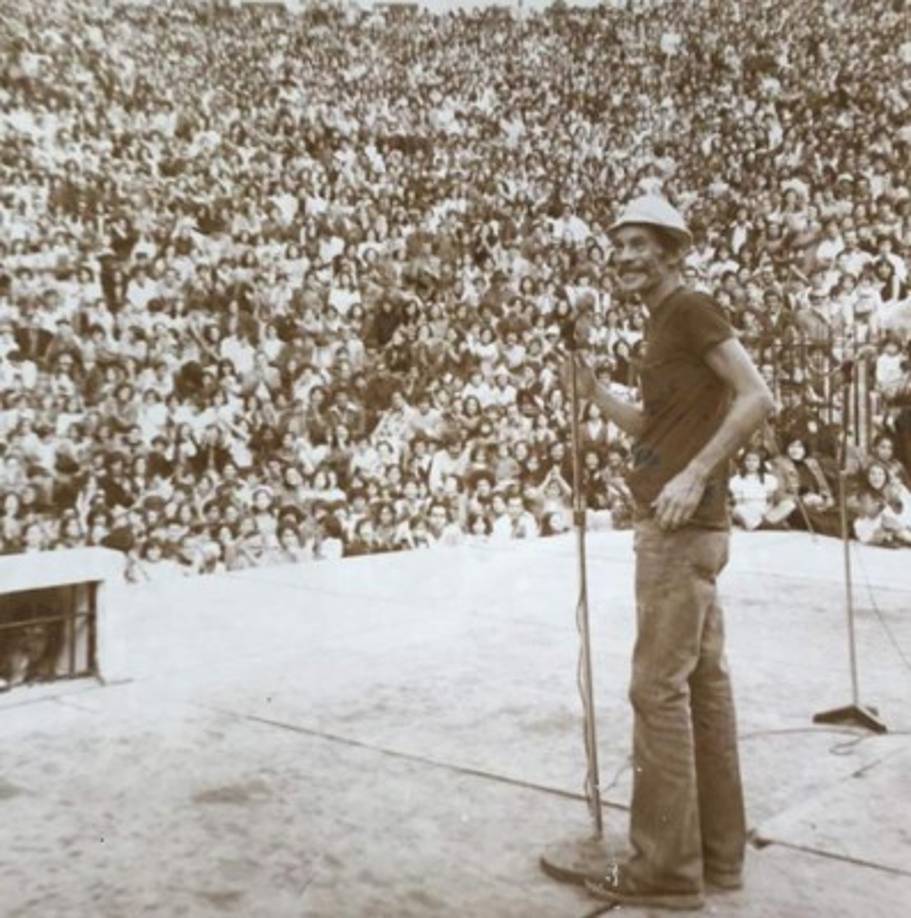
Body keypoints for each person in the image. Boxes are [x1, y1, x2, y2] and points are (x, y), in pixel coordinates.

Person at [563, 196, 775, 910]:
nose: (623, 256)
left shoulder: (688, 309)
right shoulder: (662, 324)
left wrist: (691, 475)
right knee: (701, 687)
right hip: (690, 529)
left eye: (638, 244)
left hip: (679, 530)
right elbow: (652, 427)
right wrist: (594, 393)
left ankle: (665, 870)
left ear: (672, 251)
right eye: (618, 245)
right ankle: (717, 856)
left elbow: (757, 396)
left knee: (655, 690)